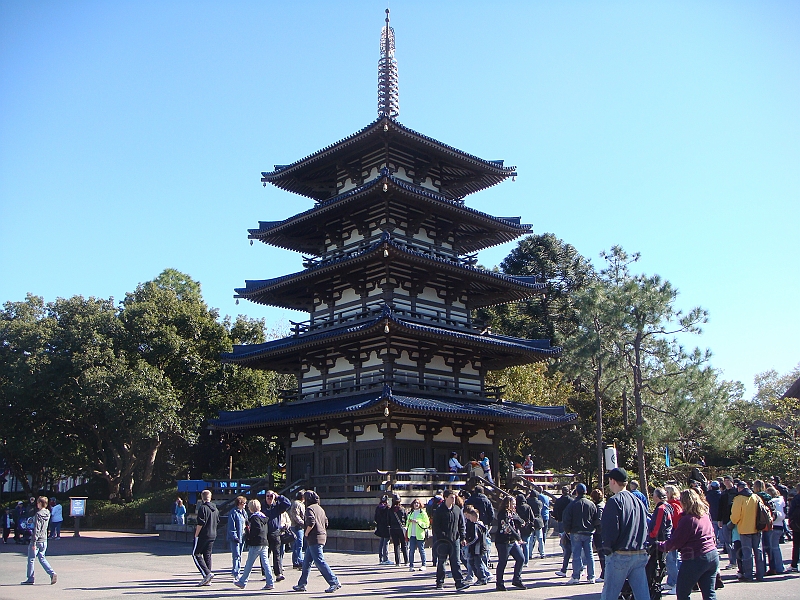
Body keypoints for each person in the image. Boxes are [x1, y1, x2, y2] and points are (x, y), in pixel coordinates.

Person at [658, 489, 719, 600]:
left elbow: (676, 542)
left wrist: (659, 545)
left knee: (682, 593)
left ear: (684, 502)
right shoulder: (704, 515)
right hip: (712, 554)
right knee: (709, 593)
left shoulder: (688, 520)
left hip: (695, 558)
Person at [599, 467, 649, 600]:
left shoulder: (614, 501)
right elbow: (645, 526)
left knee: (609, 594)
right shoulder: (638, 501)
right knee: (642, 594)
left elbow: (610, 529)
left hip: (620, 554)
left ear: (613, 481)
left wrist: (608, 549)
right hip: (639, 552)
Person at [293, 490, 341, 593]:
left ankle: (334, 581)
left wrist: (306, 533)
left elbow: (311, 522)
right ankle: (301, 584)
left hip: (314, 538)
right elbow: (326, 522)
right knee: (306, 562)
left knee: (319, 561)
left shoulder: (309, 509)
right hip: (321, 536)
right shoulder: (320, 509)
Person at [234, 498, 275, 590]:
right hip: (264, 542)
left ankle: (242, 581)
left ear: (251, 508)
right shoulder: (263, 517)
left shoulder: (254, 518)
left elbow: (257, 530)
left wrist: (249, 535)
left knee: (249, 563)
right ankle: (270, 582)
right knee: (266, 563)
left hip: (256, 543)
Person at [432, 489, 468, 591]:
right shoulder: (439, 510)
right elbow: (436, 526)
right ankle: (439, 582)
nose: (454, 499)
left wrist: (463, 537)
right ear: (446, 498)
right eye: (451, 497)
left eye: (454, 497)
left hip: (455, 539)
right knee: (442, 562)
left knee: (456, 562)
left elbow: (461, 524)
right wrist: (441, 537)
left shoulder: (457, 509)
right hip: (443, 541)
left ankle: (459, 583)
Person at [562, 483, 598, 584]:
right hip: (588, 532)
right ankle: (591, 576)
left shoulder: (572, 504)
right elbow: (596, 518)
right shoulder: (591, 504)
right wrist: (594, 528)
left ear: (576, 492)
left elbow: (567, 518)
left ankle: (576, 576)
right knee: (589, 554)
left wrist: (567, 530)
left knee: (576, 555)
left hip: (576, 532)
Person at [730, 480, 764, 581]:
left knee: (747, 553)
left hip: (744, 529)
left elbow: (735, 516)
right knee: (758, 551)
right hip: (757, 527)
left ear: (739, 488)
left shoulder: (738, 499)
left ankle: (748, 574)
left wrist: (732, 522)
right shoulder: (756, 497)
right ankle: (760, 573)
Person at [21, 496, 57, 585]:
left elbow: (37, 528)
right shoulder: (47, 513)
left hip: (37, 540)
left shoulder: (38, 514)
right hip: (44, 539)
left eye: (38, 502)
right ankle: (52, 573)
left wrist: (33, 541)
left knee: (31, 559)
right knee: (42, 558)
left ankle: (30, 578)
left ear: (40, 503)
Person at [494, 495, 525, 591]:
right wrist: (518, 537)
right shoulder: (502, 514)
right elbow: (507, 527)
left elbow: (521, 521)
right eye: (513, 504)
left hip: (512, 541)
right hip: (503, 541)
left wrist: (518, 519)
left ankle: (517, 579)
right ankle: (499, 583)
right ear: (508, 504)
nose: (514, 506)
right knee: (503, 562)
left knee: (521, 558)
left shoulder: (512, 513)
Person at [261, 490, 291, 582]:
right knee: (265, 555)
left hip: (275, 533)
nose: (269, 498)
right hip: (265, 533)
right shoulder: (262, 506)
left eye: (271, 496)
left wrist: (278, 497)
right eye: (267, 496)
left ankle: (278, 574)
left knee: (277, 554)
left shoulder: (277, 506)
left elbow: (288, 504)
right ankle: (266, 573)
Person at [193, 489, 220, 586]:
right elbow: (217, 521)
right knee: (207, 555)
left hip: (204, 534)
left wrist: (196, 534)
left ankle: (207, 574)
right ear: (210, 497)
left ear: (202, 497)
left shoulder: (203, 508)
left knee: (196, 554)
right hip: (213, 534)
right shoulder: (215, 509)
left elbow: (200, 522)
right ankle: (209, 578)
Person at [663, 484, 684, 594]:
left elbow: (675, 523)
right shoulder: (676, 504)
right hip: (675, 535)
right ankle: (671, 582)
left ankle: (676, 583)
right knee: (672, 560)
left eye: (666, 491)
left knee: (671, 560)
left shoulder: (673, 505)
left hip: (673, 535)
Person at [462, 505, 490, 585]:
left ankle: (482, 578)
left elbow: (475, 538)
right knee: (473, 562)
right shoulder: (481, 524)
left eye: (470, 516)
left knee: (477, 563)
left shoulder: (476, 525)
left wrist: (468, 543)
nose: (469, 518)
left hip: (477, 548)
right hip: (480, 547)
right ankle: (481, 577)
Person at [717, 475, 737, 569]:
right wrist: (719, 519)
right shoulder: (723, 494)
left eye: (728, 480)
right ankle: (732, 561)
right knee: (728, 542)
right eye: (725, 481)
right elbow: (720, 507)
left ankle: (739, 560)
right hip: (726, 519)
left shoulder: (737, 492)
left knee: (737, 542)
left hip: (737, 519)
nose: (727, 482)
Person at [764, 485, 785, 575]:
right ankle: (780, 567)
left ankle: (777, 567)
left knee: (773, 548)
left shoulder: (771, 502)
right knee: (776, 548)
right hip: (780, 525)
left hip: (773, 526)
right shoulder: (781, 501)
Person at [553, 485, 574, 577]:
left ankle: (565, 553)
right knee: (572, 543)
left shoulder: (558, 501)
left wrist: (557, 518)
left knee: (564, 541)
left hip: (561, 521)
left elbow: (554, 511)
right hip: (570, 523)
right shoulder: (571, 501)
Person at [406, 497, 430, 571]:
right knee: (411, 550)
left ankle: (423, 565)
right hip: (412, 534)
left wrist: (418, 522)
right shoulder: (411, 513)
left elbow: (427, 524)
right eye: (415, 503)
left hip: (420, 535)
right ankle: (411, 565)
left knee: (421, 550)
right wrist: (409, 522)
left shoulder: (423, 513)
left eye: (418, 503)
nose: (416, 504)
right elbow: (407, 524)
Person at [227, 496, 247, 580]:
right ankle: (235, 572)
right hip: (236, 537)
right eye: (244, 503)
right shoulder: (233, 512)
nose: (245, 505)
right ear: (240, 503)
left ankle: (237, 569)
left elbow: (246, 522)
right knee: (236, 555)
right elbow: (231, 526)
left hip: (243, 536)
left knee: (240, 554)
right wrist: (234, 536)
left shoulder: (244, 512)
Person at [590, 488, 606, 582]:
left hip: (599, 532)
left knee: (601, 553)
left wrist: (592, 523)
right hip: (602, 532)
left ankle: (604, 574)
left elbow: (599, 520)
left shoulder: (599, 506)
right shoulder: (602, 504)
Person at [514, 493, 535, 566]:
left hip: (518, 528)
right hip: (527, 527)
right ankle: (526, 561)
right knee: (526, 545)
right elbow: (532, 518)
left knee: (518, 545)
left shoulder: (516, 508)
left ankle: (520, 560)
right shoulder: (528, 507)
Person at [389, 494, 409, 566]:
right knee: (404, 545)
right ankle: (406, 561)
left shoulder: (390, 510)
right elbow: (406, 518)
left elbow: (388, 520)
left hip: (393, 528)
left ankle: (398, 562)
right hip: (401, 528)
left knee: (396, 545)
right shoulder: (402, 509)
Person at [289, 490, 306, 570]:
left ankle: (296, 561)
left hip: (299, 526)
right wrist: (303, 523)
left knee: (297, 545)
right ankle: (299, 561)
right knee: (299, 544)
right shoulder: (296, 504)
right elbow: (296, 516)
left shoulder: (301, 504)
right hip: (297, 526)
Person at [527, 488, 546, 559]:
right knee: (540, 538)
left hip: (531, 521)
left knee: (531, 539)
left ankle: (530, 554)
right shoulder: (539, 502)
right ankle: (542, 553)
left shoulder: (527, 502)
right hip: (538, 521)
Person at [374, 495, 392, 565]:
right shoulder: (387, 508)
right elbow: (389, 517)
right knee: (386, 542)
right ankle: (386, 558)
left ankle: (381, 558)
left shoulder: (378, 507)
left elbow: (375, 518)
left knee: (381, 542)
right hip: (386, 526)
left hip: (380, 526)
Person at [704, 480, 722, 547]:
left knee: (714, 531)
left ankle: (715, 543)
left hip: (711, 515)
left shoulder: (708, 496)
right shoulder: (721, 495)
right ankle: (721, 544)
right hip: (720, 516)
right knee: (721, 531)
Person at [788, 483, 800, 571]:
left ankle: (794, 565)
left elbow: (790, 512)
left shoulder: (796, 499)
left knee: (796, 546)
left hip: (797, 525)